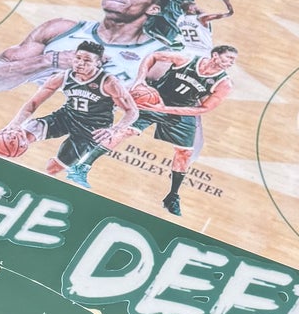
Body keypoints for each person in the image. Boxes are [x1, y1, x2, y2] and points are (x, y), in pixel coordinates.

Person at [68, 42, 239, 217]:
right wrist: (140, 79)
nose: (231, 62)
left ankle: (172, 197)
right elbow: (154, 56)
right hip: (155, 98)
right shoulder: (186, 59)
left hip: (179, 110)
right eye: (229, 57)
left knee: (185, 153)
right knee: (125, 131)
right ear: (216, 55)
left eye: (234, 60)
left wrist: (165, 110)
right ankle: (80, 167)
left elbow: (203, 109)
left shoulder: (224, 83)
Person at [0, 0, 178, 96]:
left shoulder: (158, 57)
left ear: (153, 9)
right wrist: (52, 61)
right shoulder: (60, 29)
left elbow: (178, 123)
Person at [0, 41, 137, 187]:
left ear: (98, 63)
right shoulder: (63, 77)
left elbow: (132, 111)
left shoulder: (108, 83)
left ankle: (26, 186)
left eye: (87, 60)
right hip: (65, 117)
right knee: (14, 138)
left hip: (91, 130)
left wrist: (115, 129)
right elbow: (33, 103)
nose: (80, 63)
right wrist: (14, 124)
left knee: (52, 169)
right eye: (78, 58)